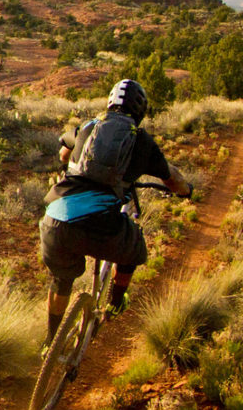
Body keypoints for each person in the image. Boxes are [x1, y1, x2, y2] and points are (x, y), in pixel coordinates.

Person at [39, 78, 193, 342]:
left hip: (56, 217)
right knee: (134, 248)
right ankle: (116, 302)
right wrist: (186, 190)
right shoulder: (141, 141)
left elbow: (64, 154)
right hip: (100, 225)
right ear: (140, 110)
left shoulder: (89, 126)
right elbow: (172, 179)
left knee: (61, 279)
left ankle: (50, 342)